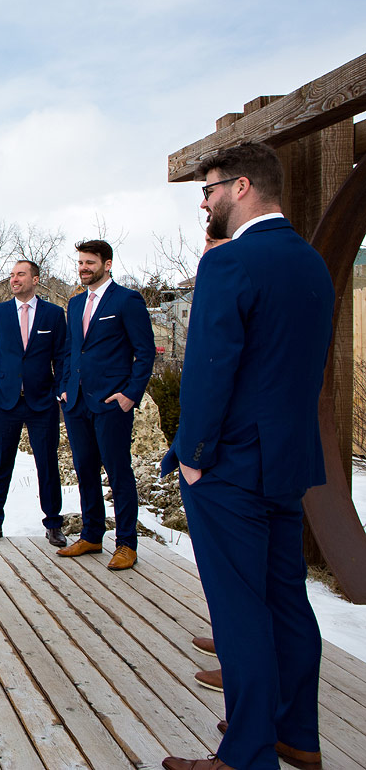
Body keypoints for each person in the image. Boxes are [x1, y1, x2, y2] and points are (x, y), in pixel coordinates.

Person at [160, 142, 331, 770]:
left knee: (239, 611)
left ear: (239, 188)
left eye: (207, 190)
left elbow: (211, 368)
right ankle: (297, 736)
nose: (203, 202)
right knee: (286, 599)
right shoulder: (312, 264)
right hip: (287, 461)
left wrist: (194, 454)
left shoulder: (230, 263)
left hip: (229, 465)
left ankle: (248, 752)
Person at [56, 239, 155, 570]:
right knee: (84, 470)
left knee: (118, 472)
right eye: (80, 262)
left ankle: (127, 543)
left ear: (107, 264)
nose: (83, 268)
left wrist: (130, 394)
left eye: (90, 262)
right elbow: (71, 349)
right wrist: (65, 387)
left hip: (112, 402)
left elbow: (145, 351)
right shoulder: (75, 304)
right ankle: (92, 534)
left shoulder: (127, 301)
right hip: (77, 401)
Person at [0, 259, 68, 547]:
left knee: (47, 464)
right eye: (12, 275)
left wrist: (58, 390)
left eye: (20, 274)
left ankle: (53, 524)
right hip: (5, 402)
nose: (14, 279)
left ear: (35, 279)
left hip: (42, 403)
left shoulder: (53, 315)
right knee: (1, 464)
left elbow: (62, 357)